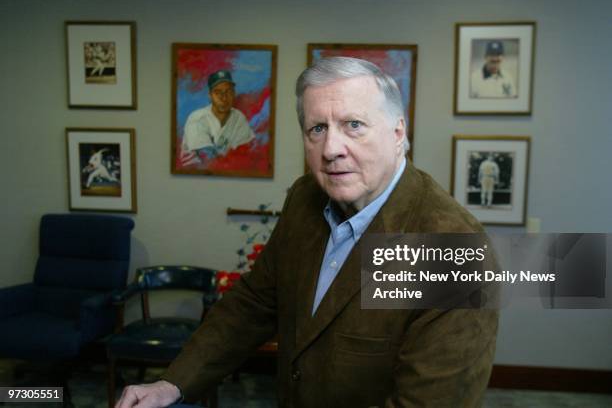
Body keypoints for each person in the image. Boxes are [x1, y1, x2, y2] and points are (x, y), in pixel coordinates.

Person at [117, 57, 498, 408]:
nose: (332, 148)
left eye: (354, 125)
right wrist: (171, 383)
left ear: (398, 132)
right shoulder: (305, 198)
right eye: (318, 128)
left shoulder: (454, 248)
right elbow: (254, 303)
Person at [181, 70, 255, 163]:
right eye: (218, 92)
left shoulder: (238, 117)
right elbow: (207, 159)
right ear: (210, 95)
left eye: (228, 91)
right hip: (193, 173)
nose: (224, 98)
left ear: (233, 93)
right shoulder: (197, 118)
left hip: (227, 172)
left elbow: (246, 151)